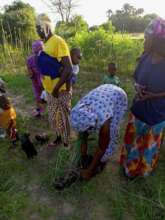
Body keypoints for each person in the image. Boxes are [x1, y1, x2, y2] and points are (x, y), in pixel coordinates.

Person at [120, 17, 165, 177]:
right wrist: (137, 87)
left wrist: (155, 95)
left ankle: (142, 170)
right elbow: (136, 78)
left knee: (148, 144)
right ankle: (128, 166)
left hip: (156, 113)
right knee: (134, 140)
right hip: (139, 108)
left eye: (147, 38)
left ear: (158, 41)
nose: (144, 41)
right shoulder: (145, 57)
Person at [70, 84, 127, 180]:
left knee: (110, 133)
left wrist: (89, 171)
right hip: (102, 94)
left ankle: (103, 160)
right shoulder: (79, 110)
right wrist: (83, 156)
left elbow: (101, 148)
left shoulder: (104, 123)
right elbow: (82, 134)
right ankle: (88, 159)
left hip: (118, 96)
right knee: (84, 130)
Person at [36, 14, 72, 147]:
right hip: (50, 90)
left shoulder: (58, 41)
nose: (37, 31)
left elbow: (68, 68)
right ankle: (58, 137)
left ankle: (66, 141)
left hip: (60, 90)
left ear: (45, 26)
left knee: (63, 116)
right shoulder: (45, 43)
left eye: (38, 28)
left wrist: (57, 88)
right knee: (54, 117)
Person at [26, 40, 45, 117]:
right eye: (34, 47)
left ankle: (45, 111)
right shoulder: (30, 60)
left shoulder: (46, 58)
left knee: (47, 96)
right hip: (36, 80)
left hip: (46, 80)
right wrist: (30, 75)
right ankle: (39, 111)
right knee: (38, 96)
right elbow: (30, 72)